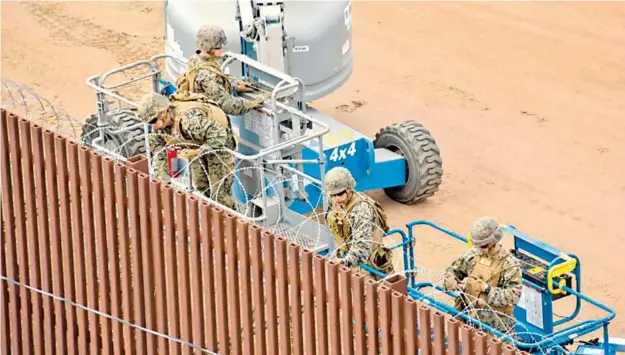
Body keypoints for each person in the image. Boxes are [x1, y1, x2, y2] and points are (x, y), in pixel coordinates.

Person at [136, 91, 237, 209]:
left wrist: (198, 152)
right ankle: (213, 215)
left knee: (220, 194)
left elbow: (219, 134)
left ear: (164, 113)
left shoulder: (189, 121)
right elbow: (160, 157)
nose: (153, 126)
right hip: (194, 143)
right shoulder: (159, 130)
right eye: (149, 123)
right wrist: (164, 185)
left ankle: (231, 220)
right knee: (201, 185)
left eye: (153, 121)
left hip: (218, 144)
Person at [442, 216, 523, 336]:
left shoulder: (510, 265)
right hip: (469, 318)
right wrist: (453, 282)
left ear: (494, 242)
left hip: (496, 328)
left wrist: (486, 288)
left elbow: (513, 295)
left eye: (484, 246)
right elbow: (453, 271)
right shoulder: (473, 255)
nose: (480, 249)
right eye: (478, 246)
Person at [176, 24, 268, 116]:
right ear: (210, 49)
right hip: (209, 116)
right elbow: (227, 105)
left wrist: (234, 85)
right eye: (219, 47)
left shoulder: (196, 59)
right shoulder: (209, 76)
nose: (222, 50)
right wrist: (252, 103)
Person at [324, 167, 395, 280]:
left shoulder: (361, 209)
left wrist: (344, 262)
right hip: (347, 258)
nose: (336, 199)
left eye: (339, 194)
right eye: (332, 195)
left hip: (368, 265)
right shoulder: (334, 201)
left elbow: (362, 247)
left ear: (349, 189)